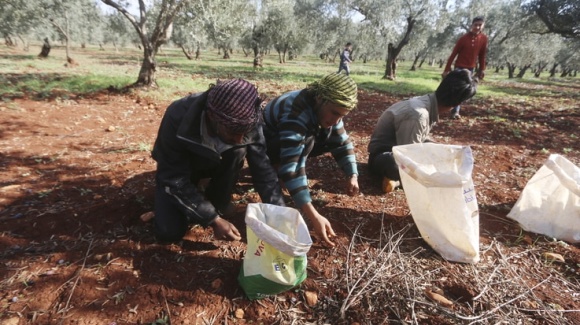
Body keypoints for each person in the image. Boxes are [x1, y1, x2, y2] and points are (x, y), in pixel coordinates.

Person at [151, 79, 285, 243]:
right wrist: (213, 219)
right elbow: (172, 177)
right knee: (169, 233)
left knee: (239, 149)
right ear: (212, 117)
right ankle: (196, 195)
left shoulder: (249, 117)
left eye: (244, 132)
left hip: (216, 161)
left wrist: (279, 213)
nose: (239, 138)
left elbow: (263, 169)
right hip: (184, 169)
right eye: (233, 132)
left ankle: (218, 199)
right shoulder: (177, 115)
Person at [263, 73, 360, 247]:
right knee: (306, 142)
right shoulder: (296, 112)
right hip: (268, 143)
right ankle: (274, 167)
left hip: (292, 135)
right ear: (320, 98)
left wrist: (352, 174)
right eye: (334, 113)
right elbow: (292, 168)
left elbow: (342, 143)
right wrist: (314, 216)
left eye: (341, 116)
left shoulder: (326, 108)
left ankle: (284, 174)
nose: (336, 120)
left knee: (324, 135)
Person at [367, 69, 478, 193]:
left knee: (439, 158)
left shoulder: (426, 104)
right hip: (383, 158)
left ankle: (397, 181)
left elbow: (420, 141)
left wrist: (447, 151)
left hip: (396, 151)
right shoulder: (418, 114)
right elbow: (409, 155)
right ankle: (399, 180)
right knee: (412, 166)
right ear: (456, 103)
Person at [442, 16, 487, 119]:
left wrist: (482, 69)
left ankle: (455, 110)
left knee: (464, 91)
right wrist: (446, 69)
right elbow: (453, 54)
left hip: (470, 69)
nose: (478, 27)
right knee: (455, 89)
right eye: (476, 25)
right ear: (472, 25)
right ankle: (450, 109)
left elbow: (482, 55)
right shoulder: (463, 38)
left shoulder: (483, 39)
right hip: (459, 68)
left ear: (483, 26)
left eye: (480, 25)